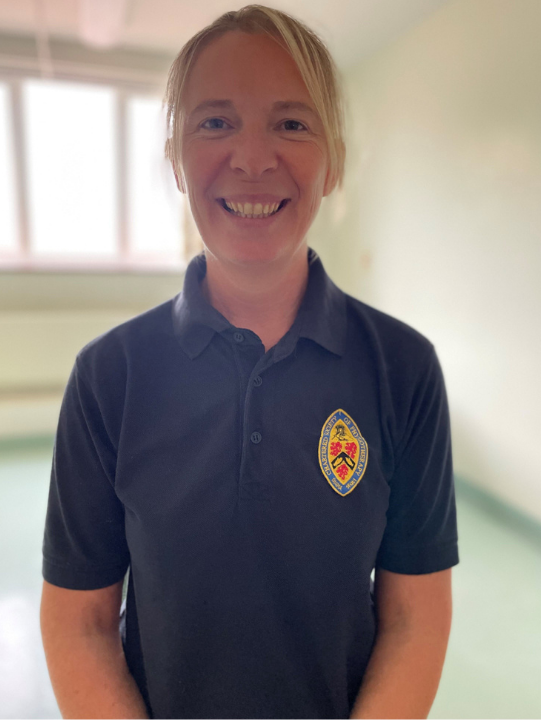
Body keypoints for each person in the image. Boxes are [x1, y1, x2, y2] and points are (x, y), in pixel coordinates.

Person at [40, 5, 459, 720]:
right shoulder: (109, 377)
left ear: (334, 161)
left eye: (292, 123)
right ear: (176, 158)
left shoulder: (404, 369)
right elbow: (80, 622)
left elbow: (413, 618)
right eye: (215, 122)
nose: (254, 159)